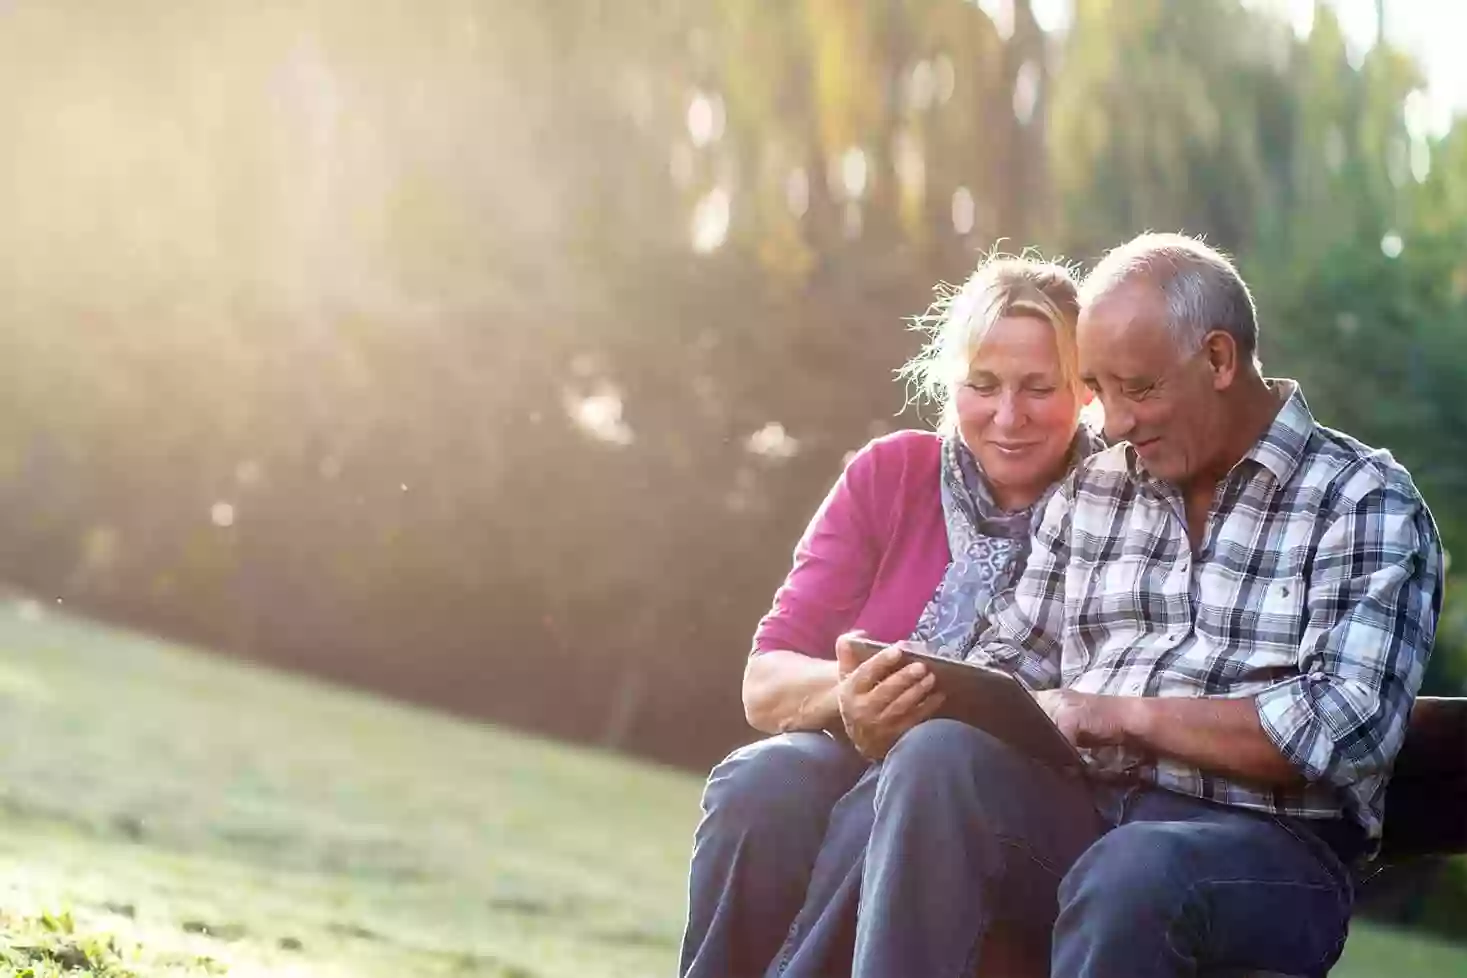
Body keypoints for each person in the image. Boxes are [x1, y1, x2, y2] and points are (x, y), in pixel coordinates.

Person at [841, 233, 1444, 978]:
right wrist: (912, 704)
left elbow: (1342, 731)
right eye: (1096, 388)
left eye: (1138, 387)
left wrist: (1118, 712)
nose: (1114, 422)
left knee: (1130, 870)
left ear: (1219, 360)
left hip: (1268, 850)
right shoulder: (1092, 490)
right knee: (938, 759)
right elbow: (1009, 660)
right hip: (1085, 813)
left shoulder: (1363, 501)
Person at [677, 255, 1105, 978]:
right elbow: (765, 680)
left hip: (1008, 798)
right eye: (982, 385)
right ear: (951, 382)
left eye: (1039, 388)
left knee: (918, 771)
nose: (1007, 417)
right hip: (857, 746)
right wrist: (849, 698)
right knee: (762, 783)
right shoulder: (890, 474)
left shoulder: (1119, 505)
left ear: (1085, 392)